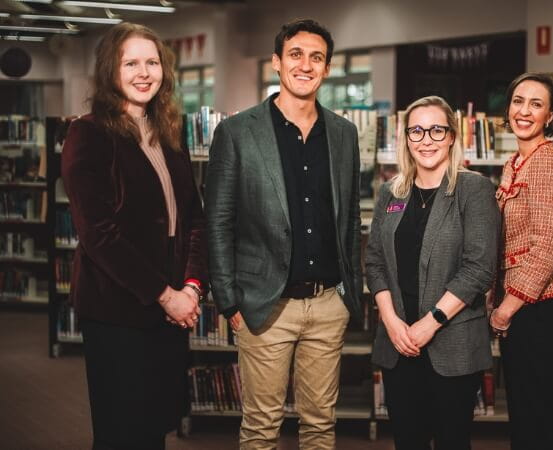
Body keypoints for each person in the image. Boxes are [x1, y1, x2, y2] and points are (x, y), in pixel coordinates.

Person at [205, 19, 362, 450]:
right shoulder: (238, 132)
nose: (306, 65)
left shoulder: (344, 134)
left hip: (328, 304)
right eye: (295, 54)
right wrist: (229, 300)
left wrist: (351, 295)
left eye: (316, 57)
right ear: (276, 62)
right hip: (264, 305)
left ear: (327, 68)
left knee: (320, 426)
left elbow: (350, 220)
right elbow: (217, 220)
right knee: (261, 428)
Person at [62, 22, 207, 450]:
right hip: (117, 310)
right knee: (120, 432)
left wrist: (192, 288)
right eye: (131, 63)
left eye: (152, 62)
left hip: (172, 309)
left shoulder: (169, 134)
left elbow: (194, 219)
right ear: (112, 71)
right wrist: (166, 295)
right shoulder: (87, 133)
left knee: (155, 426)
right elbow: (98, 234)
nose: (143, 72)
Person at [366, 95, 500, 450]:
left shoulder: (474, 189)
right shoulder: (390, 193)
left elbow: (479, 268)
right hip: (398, 344)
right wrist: (392, 322)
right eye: (417, 131)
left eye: (437, 130)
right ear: (406, 138)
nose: (426, 139)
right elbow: (375, 261)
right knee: (407, 441)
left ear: (453, 136)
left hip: (452, 344)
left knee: (452, 441)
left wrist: (431, 322)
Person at [488, 72, 553, 450]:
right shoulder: (516, 161)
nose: (524, 111)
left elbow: (546, 248)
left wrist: (505, 309)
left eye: (536, 104)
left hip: (538, 306)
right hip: (522, 304)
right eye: (518, 101)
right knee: (523, 410)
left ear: (551, 116)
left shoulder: (548, 163)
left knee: (536, 412)